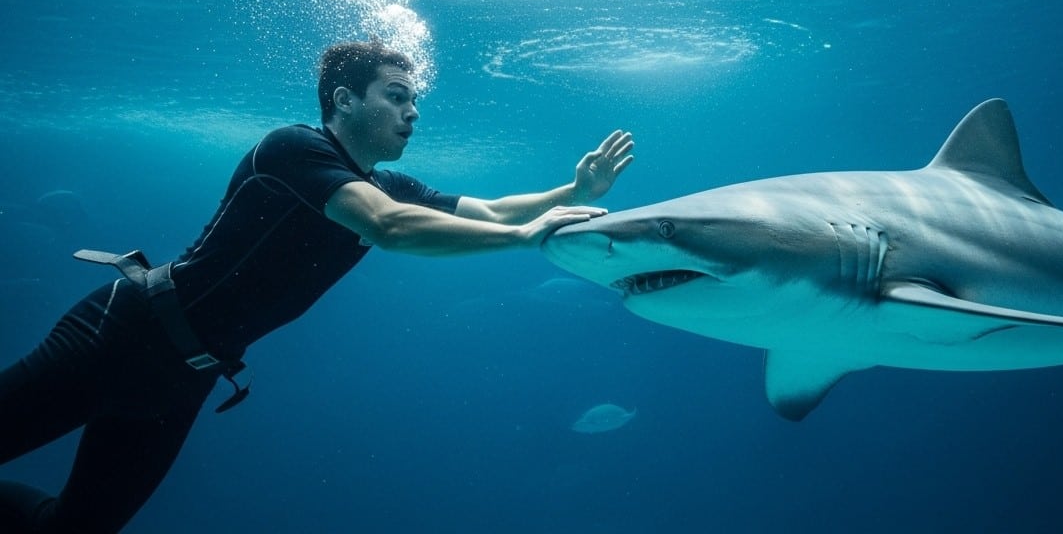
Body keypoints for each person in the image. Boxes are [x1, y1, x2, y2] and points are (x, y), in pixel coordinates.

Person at [0, 40, 634, 533]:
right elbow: (388, 227)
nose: (412, 111)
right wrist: (527, 240)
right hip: (124, 332)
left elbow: (493, 211)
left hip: (182, 377)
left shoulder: (389, 183)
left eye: (414, 100)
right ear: (344, 99)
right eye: (395, 96)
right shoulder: (293, 149)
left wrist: (575, 192)